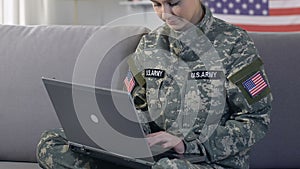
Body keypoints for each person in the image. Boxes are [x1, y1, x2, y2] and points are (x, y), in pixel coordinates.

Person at [36, 0, 273, 168]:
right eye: (157, 4)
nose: (166, 14)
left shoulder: (235, 44)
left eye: (173, 3)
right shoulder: (150, 45)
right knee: (52, 143)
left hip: (206, 161)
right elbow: (135, 107)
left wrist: (185, 144)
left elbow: (255, 121)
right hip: (153, 156)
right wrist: (118, 134)